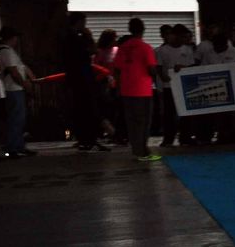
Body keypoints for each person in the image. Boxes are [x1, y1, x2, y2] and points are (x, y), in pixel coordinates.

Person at [112, 18, 163, 162]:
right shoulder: (145, 47)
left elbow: (117, 69)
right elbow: (152, 69)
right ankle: (143, 151)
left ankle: (137, 150)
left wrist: (118, 86)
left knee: (132, 122)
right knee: (143, 122)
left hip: (127, 90)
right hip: (142, 90)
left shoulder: (123, 47)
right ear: (143, 29)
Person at [191, 25, 235, 146]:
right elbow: (203, 69)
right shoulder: (209, 54)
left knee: (229, 114)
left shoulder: (233, 52)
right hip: (213, 87)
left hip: (230, 87)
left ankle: (228, 135)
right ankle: (210, 135)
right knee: (213, 114)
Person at [61, 13, 103, 151]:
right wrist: (89, 37)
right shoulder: (77, 38)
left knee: (79, 108)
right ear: (79, 22)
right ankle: (88, 138)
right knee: (87, 108)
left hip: (75, 78)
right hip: (83, 78)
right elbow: (93, 51)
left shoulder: (66, 37)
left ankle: (83, 138)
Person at [0, 28, 37, 158]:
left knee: (19, 118)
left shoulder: (9, 51)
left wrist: (30, 77)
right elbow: (14, 71)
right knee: (16, 119)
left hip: (15, 89)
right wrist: (25, 84)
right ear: (12, 38)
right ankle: (13, 147)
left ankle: (18, 146)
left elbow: (21, 67)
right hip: (13, 89)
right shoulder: (6, 51)